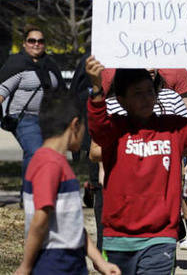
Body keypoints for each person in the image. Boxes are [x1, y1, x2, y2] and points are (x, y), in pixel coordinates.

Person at [85, 56, 187, 274]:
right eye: (137, 93)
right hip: (118, 237)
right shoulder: (114, 128)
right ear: (122, 100)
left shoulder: (173, 128)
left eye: (149, 92)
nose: (146, 98)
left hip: (160, 237)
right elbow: (97, 128)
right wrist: (97, 89)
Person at [15, 89, 119, 275]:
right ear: (75, 125)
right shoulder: (49, 163)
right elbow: (41, 219)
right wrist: (26, 266)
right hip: (54, 263)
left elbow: (72, 224)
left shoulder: (57, 162)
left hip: (71, 261)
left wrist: (98, 261)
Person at [0, 25, 65, 180]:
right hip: (24, 117)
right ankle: (32, 192)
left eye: (40, 41)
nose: (36, 44)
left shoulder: (50, 65)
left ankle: (32, 194)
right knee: (35, 151)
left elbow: (61, 93)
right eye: (32, 40)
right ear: (24, 43)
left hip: (47, 119)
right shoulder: (17, 64)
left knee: (45, 154)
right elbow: (2, 90)